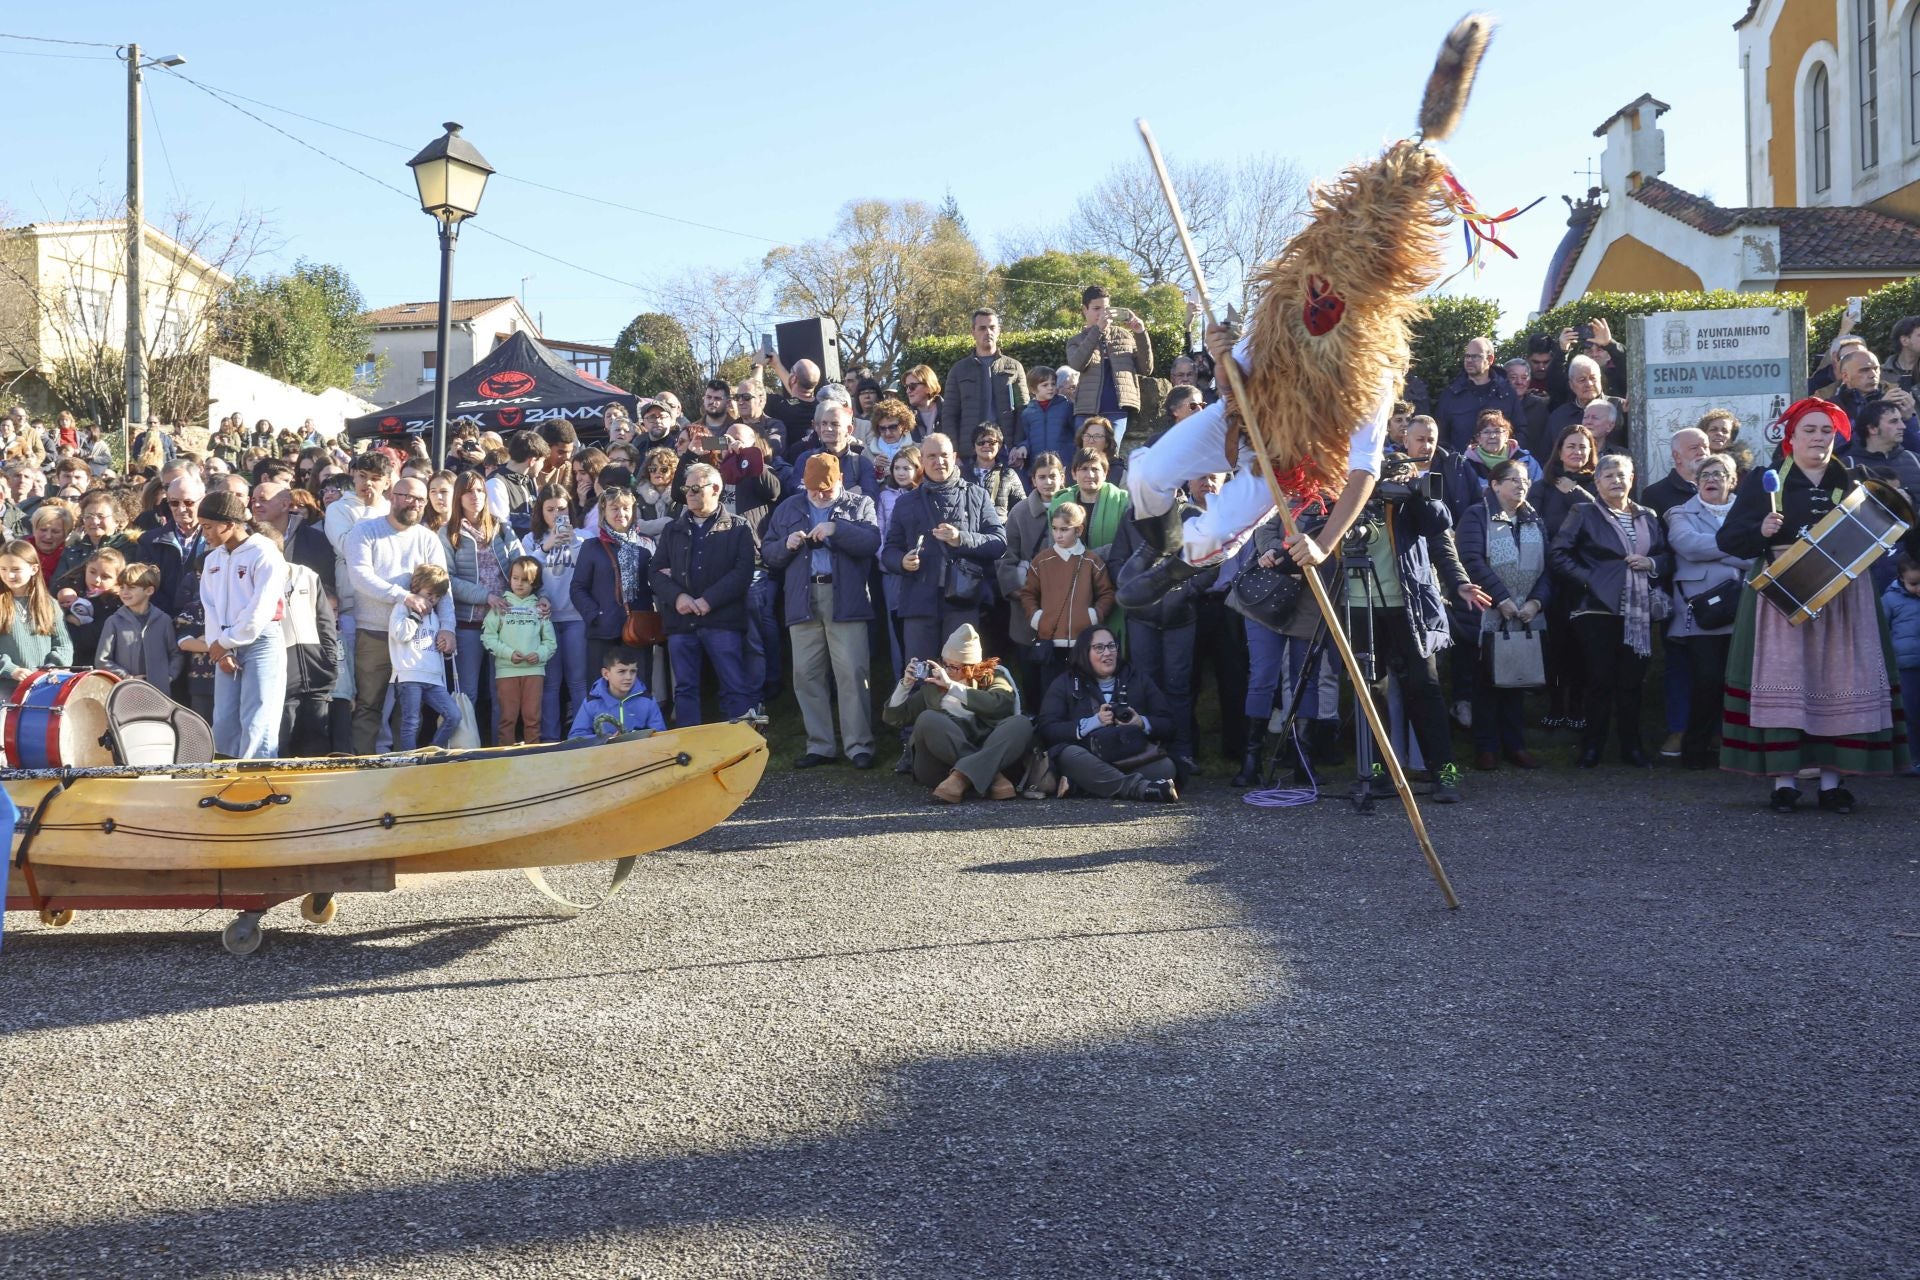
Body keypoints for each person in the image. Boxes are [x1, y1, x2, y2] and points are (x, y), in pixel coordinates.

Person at [1718, 398, 1913, 811]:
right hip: (1781, 596)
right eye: (1810, 430)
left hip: (1844, 596)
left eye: (1827, 431)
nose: (1819, 438)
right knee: (1788, 686)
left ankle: (1831, 783)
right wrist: (1760, 529)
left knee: (1837, 683)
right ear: (1792, 436)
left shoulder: (1856, 482)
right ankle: (1784, 783)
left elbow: (1892, 530)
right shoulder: (1764, 480)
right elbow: (1728, 540)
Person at [1549, 453, 1671, 769]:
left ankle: (1632, 748)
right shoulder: (1584, 511)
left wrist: (1652, 563)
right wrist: (1591, 580)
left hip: (1638, 610)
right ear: (1598, 482)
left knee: (1632, 681)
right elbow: (1559, 554)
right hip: (1596, 609)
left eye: (1622, 475)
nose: (1617, 481)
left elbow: (1666, 555)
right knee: (1599, 679)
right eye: (1609, 476)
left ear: (1632, 480)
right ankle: (1592, 748)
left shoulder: (1648, 514)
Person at [760, 453, 881, 769]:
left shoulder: (859, 505)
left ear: (840, 480)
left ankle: (859, 746)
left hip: (846, 600)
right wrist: (785, 544)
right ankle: (821, 745)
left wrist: (835, 529)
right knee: (806, 674)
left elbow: (871, 542)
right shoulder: (789, 507)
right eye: (813, 489)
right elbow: (768, 554)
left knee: (853, 673)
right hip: (802, 599)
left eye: (826, 489)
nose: (819, 494)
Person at [343, 476, 454, 754]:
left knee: (409, 709)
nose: (414, 503)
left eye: (420, 499)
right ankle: (364, 766)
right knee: (370, 703)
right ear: (392, 495)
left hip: (417, 638)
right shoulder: (365, 531)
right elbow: (360, 576)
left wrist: (448, 627)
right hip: (375, 631)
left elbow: (444, 587)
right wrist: (402, 595)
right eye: (407, 496)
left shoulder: (428, 538)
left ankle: (403, 764)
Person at [879, 433, 1008, 667]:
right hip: (918, 601)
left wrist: (962, 538)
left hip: (962, 601)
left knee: (962, 676)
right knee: (920, 676)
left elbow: (999, 542)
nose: (939, 462)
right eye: (932, 456)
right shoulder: (905, 502)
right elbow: (889, 551)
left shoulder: (976, 495)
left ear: (955, 458)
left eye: (944, 455)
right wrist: (901, 561)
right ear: (922, 460)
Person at [1455, 459, 1550, 770]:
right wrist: (1501, 599)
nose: (1521, 485)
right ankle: (1485, 747)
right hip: (1487, 613)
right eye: (1512, 479)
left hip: (1525, 615)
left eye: (1524, 480)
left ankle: (1515, 745)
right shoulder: (1476, 514)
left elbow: (1548, 568)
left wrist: (1536, 602)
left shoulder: (1534, 518)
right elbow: (1470, 558)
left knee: (1517, 680)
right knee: (1485, 682)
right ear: (1494, 484)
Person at [650, 462, 757, 725]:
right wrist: (679, 598)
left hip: (723, 620)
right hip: (682, 621)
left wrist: (709, 600)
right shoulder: (672, 529)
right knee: (684, 689)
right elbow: (654, 573)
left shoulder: (738, 527)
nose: (690, 493)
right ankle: (690, 750)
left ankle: (743, 744)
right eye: (687, 488)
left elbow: (743, 573)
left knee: (734, 683)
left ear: (716, 488)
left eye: (696, 488)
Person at [881, 622, 1031, 803]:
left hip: (983, 746)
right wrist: (905, 685)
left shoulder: (993, 677)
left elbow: (999, 704)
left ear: (972, 667)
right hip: (939, 768)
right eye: (945, 664)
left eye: (955, 667)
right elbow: (895, 718)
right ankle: (993, 776)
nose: (948, 671)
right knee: (928, 719)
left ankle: (960, 779)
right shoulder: (933, 686)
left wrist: (952, 688)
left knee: (1020, 723)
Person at [1032, 625, 1181, 801]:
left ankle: (1082, 785)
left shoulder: (1137, 678)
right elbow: (1047, 729)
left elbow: (1168, 724)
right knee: (1069, 755)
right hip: (1085, 757)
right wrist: (1092, 723)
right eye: (1099, 648)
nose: (1107, 653)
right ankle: (1141, 789)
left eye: (1111, 646)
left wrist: (1142, 722)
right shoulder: (1066, 682)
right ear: (1084, 652)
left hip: (1129, 758)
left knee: (1167, 767)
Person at [1664, 453, 1745, 771]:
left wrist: (1717, 551)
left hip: (1743, 609)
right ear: (1695, 483)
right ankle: (1695, 751)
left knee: (1742, 683)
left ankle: (1739, 750)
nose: (1712, 479)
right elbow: (1688, 546)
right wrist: (1735, 549)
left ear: (1732, 480)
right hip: (1702, 612)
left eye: (1720, 473)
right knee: (1707, 680)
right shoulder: (1680, 513)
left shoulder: (1748, 512)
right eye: (1705, 475)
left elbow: (1759, 555)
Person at [197, 491, 290, 760]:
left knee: (258, 716)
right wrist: (221, 648)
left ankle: (256, 778)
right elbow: (210, 607)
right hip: (224, 641)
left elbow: (260, 609)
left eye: (209, 526)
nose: (206, 534)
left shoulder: (264, 553)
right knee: (224, 717)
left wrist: (224, 643)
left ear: (229, 523)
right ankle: (223, 775)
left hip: (261, 640)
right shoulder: (212, 559)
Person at [440, 471, 518, 738]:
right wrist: (484, 596)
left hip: (503, 621)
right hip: (468, 623)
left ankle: (500, 747)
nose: (476, 497)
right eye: (469, 492)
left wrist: (530, 594)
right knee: (468, 692)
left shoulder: (501, 526)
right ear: (459, 497)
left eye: (480, 491)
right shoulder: (448, 532)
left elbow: (522, 564)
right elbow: (447, 579)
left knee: (501, 691)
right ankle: (465, 746)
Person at [1016, 499, 1115, 696]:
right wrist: (1038, 619)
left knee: (1083, 695)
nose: (1058, 535)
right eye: (1055, 528)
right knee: (1052, 694)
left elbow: (1107, 593)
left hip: (1083, 644)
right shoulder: (1041, 560)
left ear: (1079, 530)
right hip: (1050, 644)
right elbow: (1028, 594)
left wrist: (1093, 616)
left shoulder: (1091, 561)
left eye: (1065, 529)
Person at [519, 484, 586, 739]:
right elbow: (524, 573)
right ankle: (550, 740)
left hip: (575, 618)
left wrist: (574, 542)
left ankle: (582, 736)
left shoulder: (584, 537)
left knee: (578, 682)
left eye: (562, 508)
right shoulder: (531, 540)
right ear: (541, 511)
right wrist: (545, 547)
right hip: (544, 620)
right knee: (550, 684)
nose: (557, 514)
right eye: (550, 509)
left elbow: (587, 572)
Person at [572, 486, 655, 685]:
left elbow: (654, 584)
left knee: (638, 689)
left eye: (626, 508)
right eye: (614, 508)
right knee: (601, 691)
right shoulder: (591, 547)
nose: (621, 514)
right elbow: (577, 588)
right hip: (603, 631)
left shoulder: (646, 545)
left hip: (637, 630)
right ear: (604, 512)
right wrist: (596, 615)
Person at [482, 555, 557, 746]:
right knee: (507, 718)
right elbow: (488, 637)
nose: (519, 584)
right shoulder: (501, 606)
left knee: (532, 718)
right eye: (515, 578)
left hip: (534, 672)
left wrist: (539, 654)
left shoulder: (540, 608)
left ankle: (533, 755)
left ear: (535, 583)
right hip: (506, 672)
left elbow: (550, 643)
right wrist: (508, 653)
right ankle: (504, 756)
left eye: (525, 580)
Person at [1065, 287, 1154, 447]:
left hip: (1117, 409)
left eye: (1106, 309)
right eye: (1096, 309)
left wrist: (1140, 333)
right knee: (1085, 456)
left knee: (1111, 455)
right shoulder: (1076, 340)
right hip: (1086, 409)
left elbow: (1146, 369)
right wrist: (1097, 331)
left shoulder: (1124, 335)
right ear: (1084, 310)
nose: (1102, 314)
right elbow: (1077, 364)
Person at [386, 563, 461, 752]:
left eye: (437, 597)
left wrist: (443, 646)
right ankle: (409, 761)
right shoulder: (402, 607)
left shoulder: (435, 616)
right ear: (416, 588)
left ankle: (432, 751)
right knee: (410, 722)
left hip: (433, 677)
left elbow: (432, 645)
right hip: (409, 675)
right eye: (430, 595)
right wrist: (417, 616)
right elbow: (400, 635)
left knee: (454, 715)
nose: (433, 600)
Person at [940, 307, 1028, 452]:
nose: (988, 332)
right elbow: (949, 415)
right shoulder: (959, 370)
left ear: (999, 330)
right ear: (973, 332)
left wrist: (1017, 446)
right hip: (970, 451)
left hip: (1005, 449)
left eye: (992, 327)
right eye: (982, 328)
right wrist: (954, 452)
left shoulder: (1014, 367)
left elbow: (1022, 411)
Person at [280, 546, 338, 758]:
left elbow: (325, 620)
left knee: (317, 737)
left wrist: (330, 660)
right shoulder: (259, 579)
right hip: (284, 672)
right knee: (284, 736)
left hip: (317, 669)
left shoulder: (307, 575)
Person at [0, 538, 71, 688]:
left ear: (34, 569)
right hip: (5, 686)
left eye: (16, 569)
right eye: (3, 569)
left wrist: (51, 668)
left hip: (44, 684)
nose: (9, 575)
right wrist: (10, 669)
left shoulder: (49, 604)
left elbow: (63, 644)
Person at [97, 561, 182, 683]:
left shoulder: (164, 620)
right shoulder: (113, 622)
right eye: (122, 587)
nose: (124, 592)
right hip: (125, 692)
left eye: (131, 587)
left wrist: (168, 676)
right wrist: (128, 678)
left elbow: (176, 654)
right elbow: (102, 660)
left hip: (158, 692)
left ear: (149, 591)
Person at [1436, 337, 1523, 454]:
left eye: (1476, 356)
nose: (1469, 360)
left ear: (1490, 359)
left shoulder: (1507, 393)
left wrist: (1508, 457)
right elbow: (1441, 437)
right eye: (1467, 356)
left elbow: (1521, 430)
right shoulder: (1451, 394)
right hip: (1461, 467)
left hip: (1499, 468)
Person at [568, 644, 666, 739]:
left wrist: (636, 738)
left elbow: (661, 736)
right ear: (606, 674)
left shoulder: (647, 701)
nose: (628, 677)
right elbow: (575, 737)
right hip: (603, 754)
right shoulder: (591, 702)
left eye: (633, 671)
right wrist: (605, 739)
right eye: (622, 672)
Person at [1050, 447, 1131, 561]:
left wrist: (1088, 559)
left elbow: (1127, 545)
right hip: (1068, 569)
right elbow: (1053, 546)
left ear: (1105, 473)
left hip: (1111, 568)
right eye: (1084, 469)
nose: (1090, 475)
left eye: (1095, 469)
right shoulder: (1059, 503)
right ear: (1073, 474)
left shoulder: (1123, 501)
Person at [1014, 366, 1075, 478]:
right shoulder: (1027, 413)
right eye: (1045, 385)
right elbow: (1026, 437)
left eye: (1053, 383)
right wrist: (1023, 446)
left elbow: (1076, 433)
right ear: (1033, 389)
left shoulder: (1067, 406)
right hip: (1038, 466)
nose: (1050, 388)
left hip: (1064, 465)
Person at [485, 429, 545, 537]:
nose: (542, 466)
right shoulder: (495, 483)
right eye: (542, 461)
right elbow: (501, 526)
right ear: (532, 461)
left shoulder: (529, 481)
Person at [1643, 427, 1711, 517]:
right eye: (1694, 448)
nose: (1702, 452)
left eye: (1706, 447)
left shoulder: (1720, 486)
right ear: (1677, 456)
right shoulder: (1654, 494)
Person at [964, 424, 1026, 519]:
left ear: (999, 445)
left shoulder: (1009, 474)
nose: (986, 445)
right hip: (967, 531)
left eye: (992, 442)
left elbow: (1023, 509)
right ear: (974, 446)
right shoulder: (960, 474)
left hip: (999, 530)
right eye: (981, 442)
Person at [902, 365, 943, 438]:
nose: (908, 391)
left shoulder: (949, 411)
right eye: (906, 387)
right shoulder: (904, 417)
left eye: (912, 386)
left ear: (928, 386)